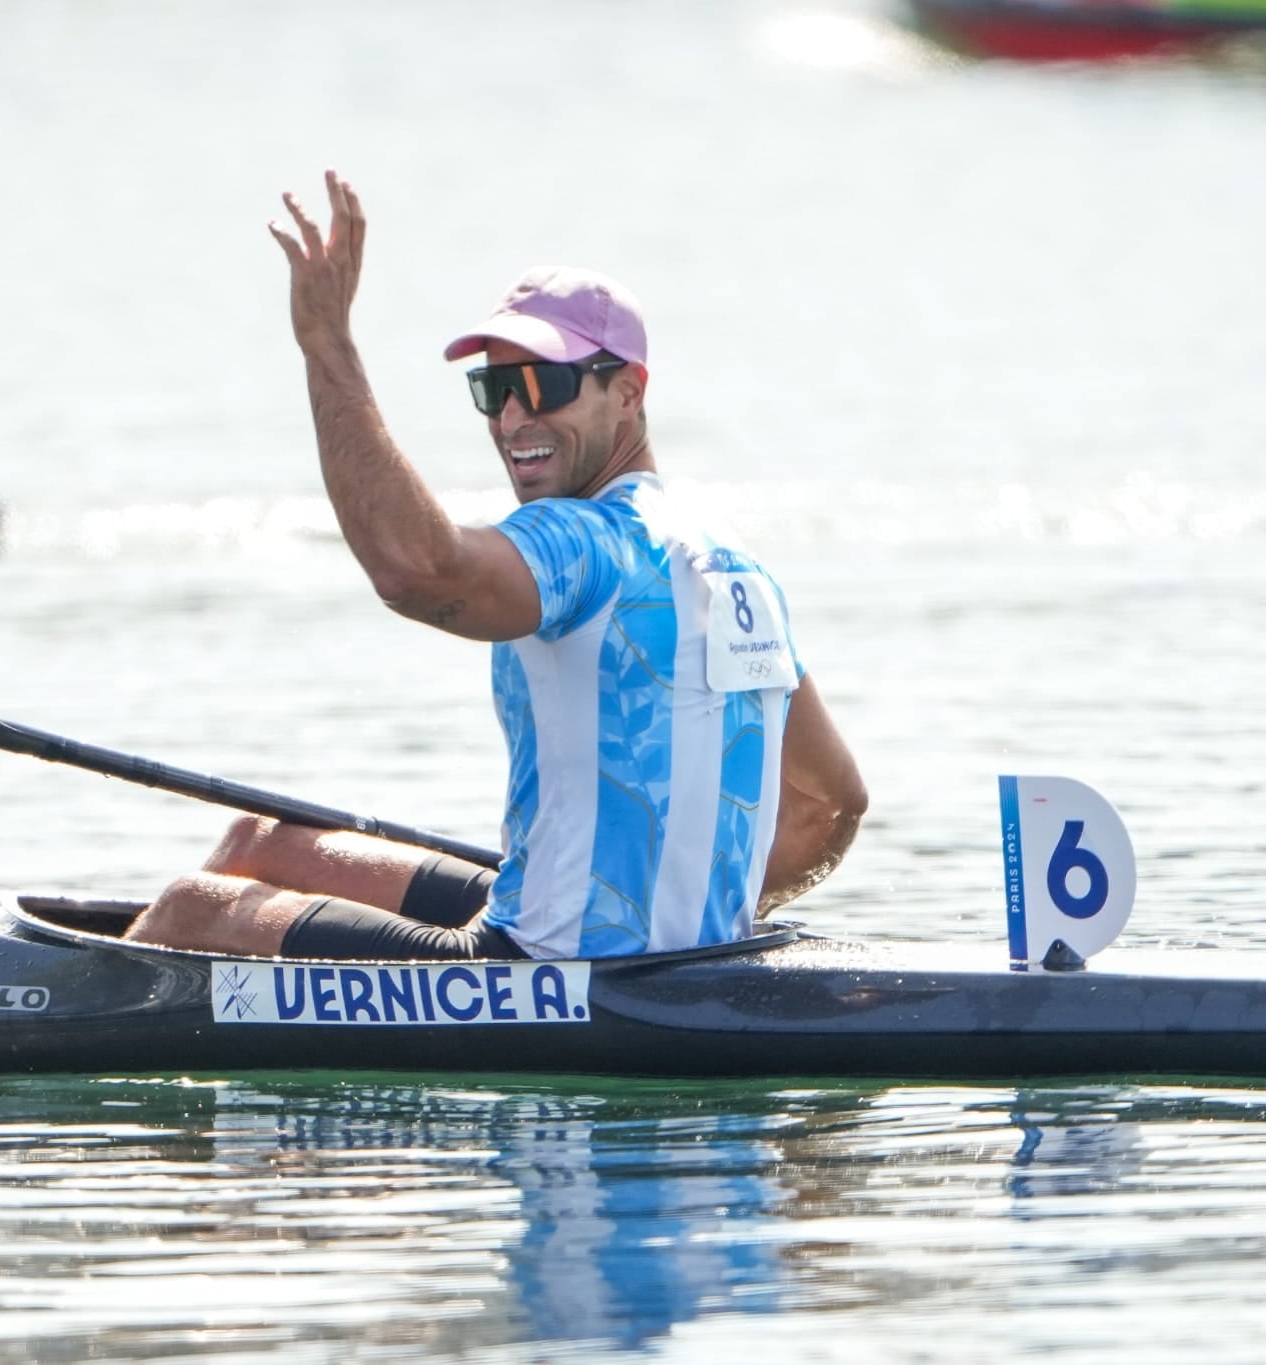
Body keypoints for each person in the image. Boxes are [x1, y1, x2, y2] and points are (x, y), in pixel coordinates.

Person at [125, 170, 866, 961]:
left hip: (536, 963)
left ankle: (45, 1014)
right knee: (261, 841)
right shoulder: (735, 560)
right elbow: (831, 803)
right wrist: (685, 943)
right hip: (657, 958)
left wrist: (327, 342)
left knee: (193, 908)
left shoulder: (581, 541)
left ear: (627, 391)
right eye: (495, 388)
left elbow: (416, 570)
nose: (514, 418)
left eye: (544, 384)